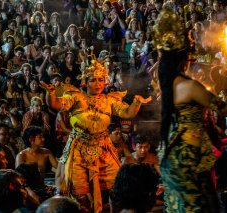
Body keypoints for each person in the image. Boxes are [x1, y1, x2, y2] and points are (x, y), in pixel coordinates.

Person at [154, 8, 227, 212]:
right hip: (191, 156)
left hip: (173, 154)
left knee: (179, 205)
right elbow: (224, 109)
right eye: (190, 58)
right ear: (183, 59)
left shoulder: (166, 84)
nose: (192, 62)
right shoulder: (189, 87)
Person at [41, 58, 151, 212]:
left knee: (117, 185)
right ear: (86, 81)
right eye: (93, 80)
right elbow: (55, 104)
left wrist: (137, 102)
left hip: (103, 148)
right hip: (79, 149)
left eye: (101, 80)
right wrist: (51, 93)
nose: (98, 84)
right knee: (80, 194)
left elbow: (127, 113)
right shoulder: (76, 97)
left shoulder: (109, 100)